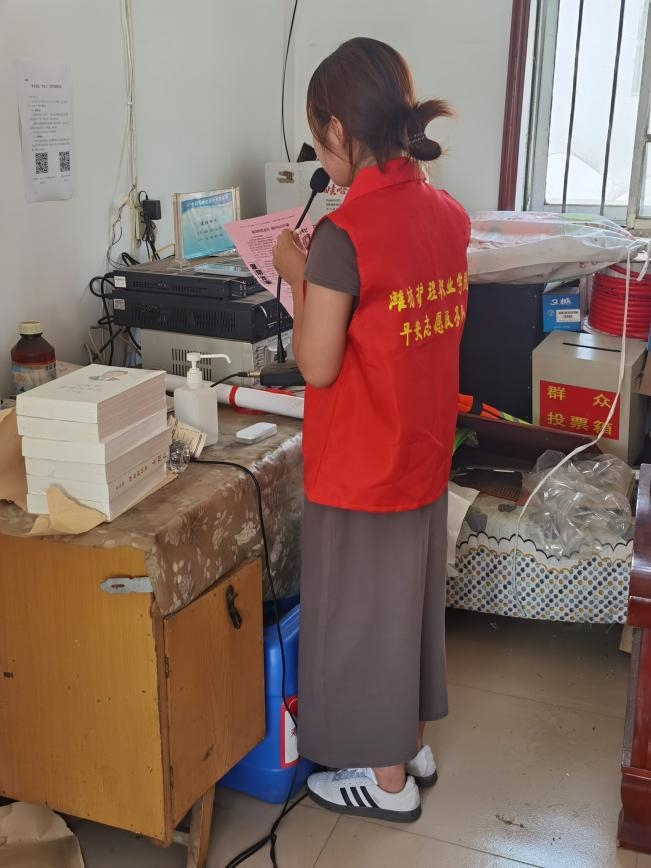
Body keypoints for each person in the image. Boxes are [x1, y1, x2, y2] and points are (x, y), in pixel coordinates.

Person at [272, 36, 470, 823]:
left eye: (317, 134)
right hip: (420, 448)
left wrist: (299, 273)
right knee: (407, 609)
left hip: (361, 462)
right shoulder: (445, 213)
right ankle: (410, 745)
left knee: (360, 620)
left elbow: (316, 365)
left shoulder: (343, 236)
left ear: (336, 130)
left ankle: (383, 780)